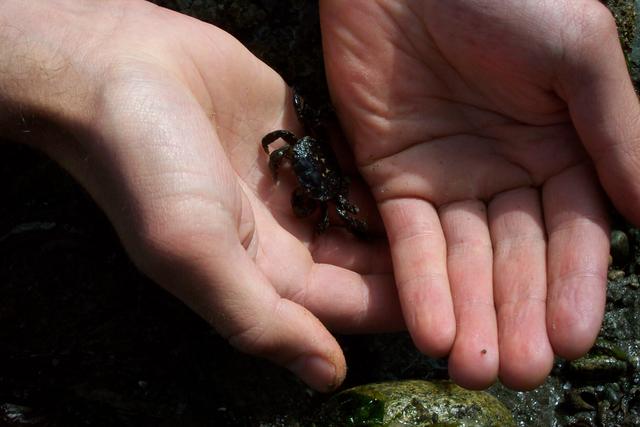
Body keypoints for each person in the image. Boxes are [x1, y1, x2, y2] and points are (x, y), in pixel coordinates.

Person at [1, 0, 637, 392]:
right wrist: (76, 56)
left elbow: (307, 154)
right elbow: (285, 140)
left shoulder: (325, 182)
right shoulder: (293, 153)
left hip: (326, 162)